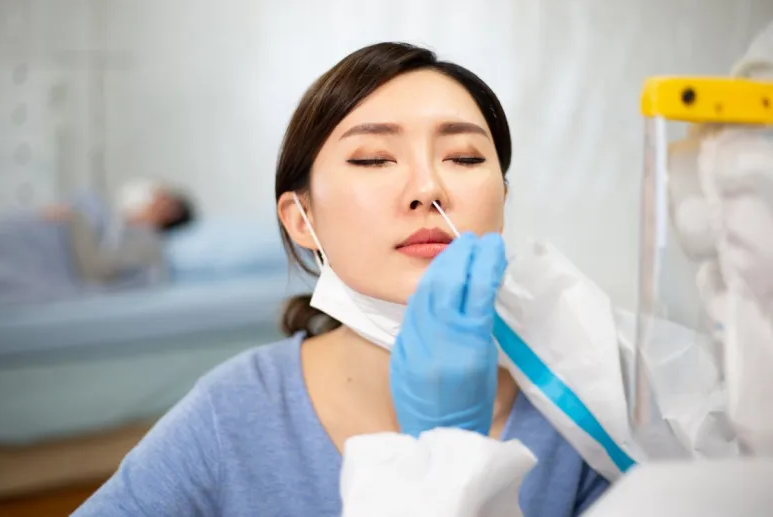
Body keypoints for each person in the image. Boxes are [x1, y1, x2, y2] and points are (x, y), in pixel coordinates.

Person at [73, 42, 609, 517]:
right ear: (302, 219)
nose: (428, 189)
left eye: (463, 157)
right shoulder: (233, 412)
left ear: (502, 203)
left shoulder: (581, 415)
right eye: (374, 158)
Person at [43, 181, 195, 284]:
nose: (149, 199)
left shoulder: (148, 245)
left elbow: (96, 270)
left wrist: (76, 218)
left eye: (157, 199)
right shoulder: (126, 229)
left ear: (167, 212)